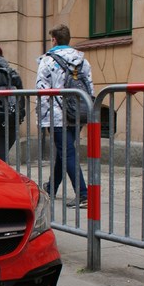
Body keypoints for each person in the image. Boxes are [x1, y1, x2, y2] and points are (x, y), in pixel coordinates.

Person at [36, 24, 93, 208]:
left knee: (66, 152)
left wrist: (43, 119)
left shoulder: (47, 61)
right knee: (65, 152)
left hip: (57, 115)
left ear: (54, 39)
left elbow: (42, 91)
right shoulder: (82, 61)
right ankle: (52, 187)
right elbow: (90, 89)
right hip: (78, 112)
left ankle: (83, 194)